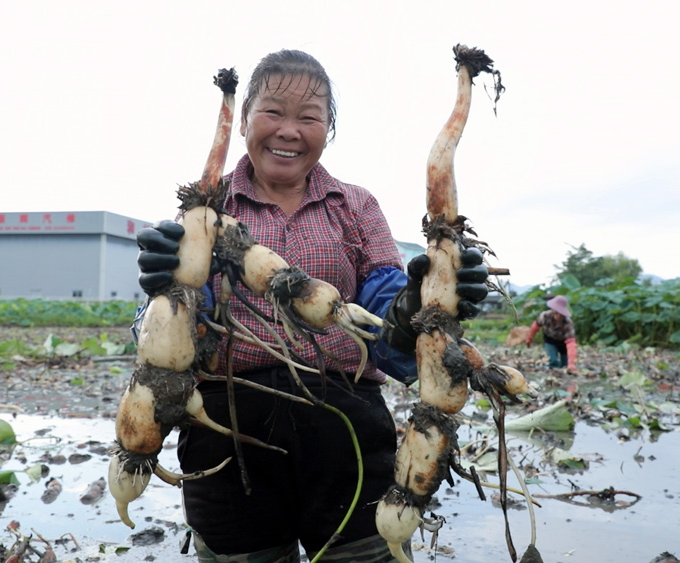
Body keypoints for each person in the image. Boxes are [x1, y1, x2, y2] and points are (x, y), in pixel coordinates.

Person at [133, 49, 489, 562]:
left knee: (368, 552)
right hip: (228, 432)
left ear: (329, 129)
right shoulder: (205, 210)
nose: (289, 130)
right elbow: (175, 334)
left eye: (309, 117)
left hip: (347, 431)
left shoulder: (356, 205)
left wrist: (423, 303)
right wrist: (163, 291)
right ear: (245, 121)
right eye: (273, 112)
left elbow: (384, 315)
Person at [526, 294, 577, 374]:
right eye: (556, 312)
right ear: (553, 310)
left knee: (565, 365)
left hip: (563, 342)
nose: (558, 315)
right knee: (554, 361)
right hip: (550, 340)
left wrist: (571, 364)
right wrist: (529, 339)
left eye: (561, 313)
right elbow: (535, 326)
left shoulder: (568, 323)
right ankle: (552, 375)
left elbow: (571, 343)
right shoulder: (544, 316)